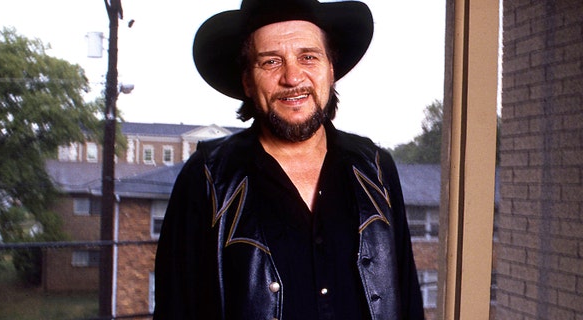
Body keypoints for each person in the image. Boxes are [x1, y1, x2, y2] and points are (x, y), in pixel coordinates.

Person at [153, 0, 424, 319]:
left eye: (308, 57)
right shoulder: (207, 178)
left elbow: (407, 302)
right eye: (270, 62)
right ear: (248, 83)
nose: (293, 77)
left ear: (331, 70)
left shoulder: (376, 170)